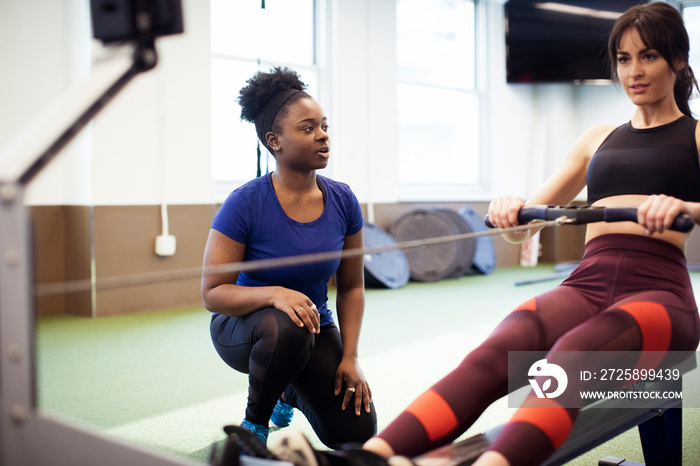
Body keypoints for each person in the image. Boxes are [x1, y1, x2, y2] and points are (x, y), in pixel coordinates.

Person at [362, 3, 700, 466]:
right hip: (587, 283)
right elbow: (528, 229)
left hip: (660, 296)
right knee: (504, 344)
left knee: (572, 355)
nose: (634, 72)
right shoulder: (597, 139)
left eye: (649, 57)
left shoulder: (695, 135)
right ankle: (370, 456)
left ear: (678, 60)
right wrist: (512, 212)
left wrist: (686, 207)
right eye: (624, 59)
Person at [201, 66, 377, 447]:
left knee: (356, 432)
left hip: (312, 327)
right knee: (287, 326)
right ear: (275, 140)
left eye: (324, 126)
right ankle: (254, 427)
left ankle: (288, 392)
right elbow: (213, 292)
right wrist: (274, 293)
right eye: (308, 128)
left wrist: (350, 357)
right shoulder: (244, 203)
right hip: (246, 329)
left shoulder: (344, 200)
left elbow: (351, 288)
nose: (323, 135)